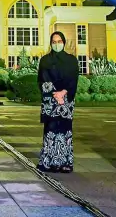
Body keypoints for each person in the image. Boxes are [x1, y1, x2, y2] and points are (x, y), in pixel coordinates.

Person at [37, 31, 79, 173]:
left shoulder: (72, 60)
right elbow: (42, 79)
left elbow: (74, 79)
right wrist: (55, 94)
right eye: (54, 42)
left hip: (66, 101)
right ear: (50, 43)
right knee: (51, 129)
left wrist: (64, 92)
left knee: (65, 129)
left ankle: (65, 162)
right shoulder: (45, 60)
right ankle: (50, 162)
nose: (57, 44)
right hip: (51, 101)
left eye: (59, 41)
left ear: (64, 42)